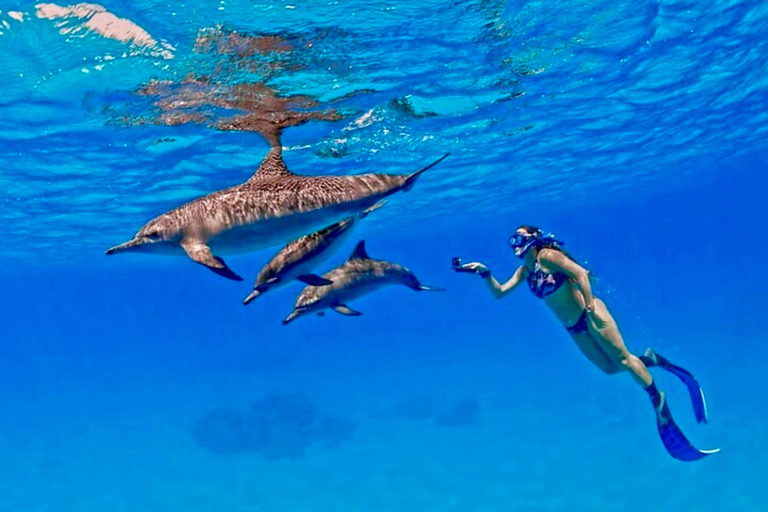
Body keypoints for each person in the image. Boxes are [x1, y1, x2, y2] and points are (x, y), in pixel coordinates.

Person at [455, 225, 719, 461]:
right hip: (574, 328)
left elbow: (581, 273)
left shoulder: (547, 256)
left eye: (519, 238)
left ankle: (660, 405)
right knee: (610, 368)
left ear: (533, 239)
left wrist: (591, 305)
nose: (515, 245)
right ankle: (652, 359)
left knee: (625, 361)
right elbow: (500, 293)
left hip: (589, 314)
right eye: (512, 241)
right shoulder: (525, 270)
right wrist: (483, 272)